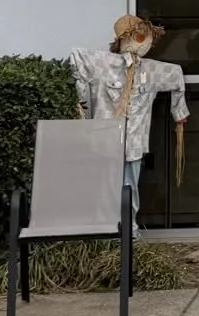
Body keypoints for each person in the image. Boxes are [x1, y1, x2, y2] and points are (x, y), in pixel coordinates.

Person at [70, 16, 189, 230]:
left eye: (147, 38)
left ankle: (129, 231)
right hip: (105, 141)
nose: (144, 43)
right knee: (104, 188)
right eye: (140, 37)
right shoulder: (102, 63)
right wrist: (84, 109)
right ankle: (104, 231)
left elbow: (176, 76)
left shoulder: (151, 70)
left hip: (134, 141)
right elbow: (76, 60)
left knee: (130, 187)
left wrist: (179, 112)